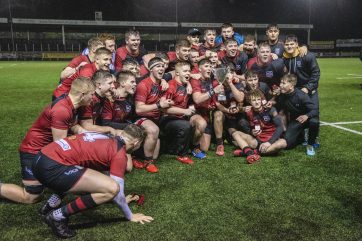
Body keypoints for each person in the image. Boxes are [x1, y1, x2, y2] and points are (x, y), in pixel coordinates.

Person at [32, 125, 153, 238]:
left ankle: (51, 204)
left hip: (41, 158)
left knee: (84, 172)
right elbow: (117, 194)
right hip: (51, 168)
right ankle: (57, 216)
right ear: (136, 143)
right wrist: (130, 215)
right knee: (112, 189)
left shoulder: (106, 138)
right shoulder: (118, 153)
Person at [0, 77, 95, 204]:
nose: (93, 98)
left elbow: (71, 124)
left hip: (45, 150)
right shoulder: (62, 110)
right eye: (92, 94)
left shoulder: (70, 104)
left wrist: (85, 133)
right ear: (83, 95)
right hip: (33, 151)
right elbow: (61, 145)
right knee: (31, 196)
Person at [134, 57, 174, 172]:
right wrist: (159, 105)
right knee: (153, 130)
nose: (161, 68)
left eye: (162, 66)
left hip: (156, 118)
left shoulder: (162, 82)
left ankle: (138, 155)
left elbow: (176, 71)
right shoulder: (144, 85)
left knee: (155, 154)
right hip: (141, 118)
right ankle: (147, 162)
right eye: (158, 66)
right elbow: (138, 109)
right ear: (151, 69)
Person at [283, 35, 321, 149]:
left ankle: (313, 139)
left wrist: (308, 88)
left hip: (308, 90)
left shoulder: (307, 55)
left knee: (313, 116)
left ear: (296, 44)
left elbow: (316, 73)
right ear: (284, 46)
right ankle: (300, 136)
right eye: (287, 44)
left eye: (291, 44)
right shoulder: (285, 58)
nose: (289, 46)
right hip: (295, 91)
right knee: (296, 115)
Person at [232, 89, 286, 164]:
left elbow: (280, 127)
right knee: (235, 134)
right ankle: (250, 153)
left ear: (261, 100)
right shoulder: (248, 111)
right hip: (256, 141)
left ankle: (250, 152)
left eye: (258, 99)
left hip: (271, 141)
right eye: (254, 100)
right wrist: (252, 132)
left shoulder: (270, 110)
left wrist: (269, 143)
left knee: (283, 143)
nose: (257, 102)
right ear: (250, 102)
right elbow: (242, 117)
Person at [276, 74, 319, 156]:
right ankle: (302, 136)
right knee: (288, 145)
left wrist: (306, 116)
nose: (280, 85)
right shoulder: (282, 95)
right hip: (297, 120)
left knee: (314, 122)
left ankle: (311, 143)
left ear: (291, 86)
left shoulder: (301, 95)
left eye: (283, 83)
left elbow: (315, 110)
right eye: (280, 83)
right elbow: (279, 109)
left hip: (308, 118)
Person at [161, 61, 195, 164]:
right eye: (185, 71)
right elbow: (164, 109)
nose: (188, 73)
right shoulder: (171, 86)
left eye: (189, 71)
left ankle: (190, 148)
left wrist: (189, 84)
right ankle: (182, 154)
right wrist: (185, 111)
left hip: (179, 117)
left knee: (196, 122)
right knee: (185, 125)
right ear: (177, 73)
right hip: (167, 118)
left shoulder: (185, 84)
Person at [190, 59, 224, 158]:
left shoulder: (212, 80)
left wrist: (220, 95)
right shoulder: (195, 80)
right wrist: (213, 91)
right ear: (199, 69)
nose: (209, 68)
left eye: (210, 66)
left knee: (204, 148)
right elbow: (197, 99)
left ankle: (218, 143)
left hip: (206, 114)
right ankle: (194, 147)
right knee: (201, 124)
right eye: (206, 66)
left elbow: (221, 97)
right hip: (194, 113)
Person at [78, 70, 117, 135]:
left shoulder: (104, 98)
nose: (113, 86)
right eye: (110, 83)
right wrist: (109, 129)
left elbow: (106, 122)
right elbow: (86, 127)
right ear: (99, 85)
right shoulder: (90, 99)